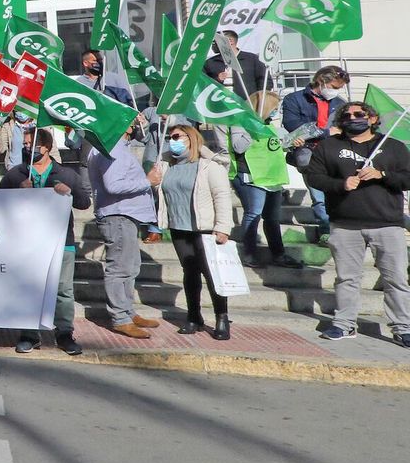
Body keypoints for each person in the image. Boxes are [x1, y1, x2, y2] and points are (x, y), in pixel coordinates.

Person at [303, 101, 410, 346]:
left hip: (387, 224)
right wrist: (340, 184)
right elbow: (314, 176)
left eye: (359, 114)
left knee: (395, 279)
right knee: (347, 278)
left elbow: (408, 177)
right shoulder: (329, 147)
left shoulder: (393, 147)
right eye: (347, 115)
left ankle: (402, 327)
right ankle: (344, 324)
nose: (353, 117)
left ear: (372, 118)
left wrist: (382, 175)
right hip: (344, 224)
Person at [1, 128, 87, 355]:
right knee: (29, 288)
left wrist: (69, 192)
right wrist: (18, 193)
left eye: (33, 145)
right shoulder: (15, 174)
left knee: (63, 290)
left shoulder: (66, 174)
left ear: (47, 147)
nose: (28, 148)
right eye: (26, 144)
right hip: (27, 243)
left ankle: (64, 333)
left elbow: (84, 203)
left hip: (61, 241)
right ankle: (29, 334)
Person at [148, 124, 233, 339]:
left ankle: (221, 318)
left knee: (212, 274)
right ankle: (194, 316)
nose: (172, 140)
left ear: (191, 138)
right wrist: (153, 181)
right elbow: (161, 192)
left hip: (204, 228)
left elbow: (222, 195)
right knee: (190, 273)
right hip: (179, 227)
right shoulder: (166, 165)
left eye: (177, 136)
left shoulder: (209, 166)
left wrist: (223, 227)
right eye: (170, 137)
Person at [85, 120, 166, 340]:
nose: (139, 124)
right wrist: (147, 181)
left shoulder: (110, 147)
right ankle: (120, 317)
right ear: (126, 127)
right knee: (121, 267)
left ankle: (127, 311)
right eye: (133, 121)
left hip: (123, 216)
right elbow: (114, 185)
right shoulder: (113, 148)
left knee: (130, 266)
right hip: (118, 216)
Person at [231, 92, 303, 268]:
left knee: (272, 218)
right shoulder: (240, 122)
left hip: (272, 178)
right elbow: (238, 147)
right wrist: (252, 128)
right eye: (273, 108)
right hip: (251, 176)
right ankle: (249, 254)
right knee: (253, 213)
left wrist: (292, 143)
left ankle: (279, 254)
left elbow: (275, 147)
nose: (275, 112)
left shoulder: (270, 125)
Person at [282, 65, 350, 246]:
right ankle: (326, 229)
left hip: (335, 152)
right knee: (318, 194)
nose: (336, 91)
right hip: (309, 151)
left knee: (338, 192)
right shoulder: (294, 99)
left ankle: (343, 230)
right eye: (334, 87)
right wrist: (326, 133)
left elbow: (346, 127)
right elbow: (293, 124)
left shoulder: (340, 103)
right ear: (322, 81)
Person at [204, 30, 267, 99]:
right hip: (220, 104)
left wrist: (259, 99)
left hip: (247, 103)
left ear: (230, 41)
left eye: (216, 41)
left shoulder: (252, 59)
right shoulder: (210, 62)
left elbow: (265, 80)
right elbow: (202, 84)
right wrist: (217, 79)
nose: (213, 44)